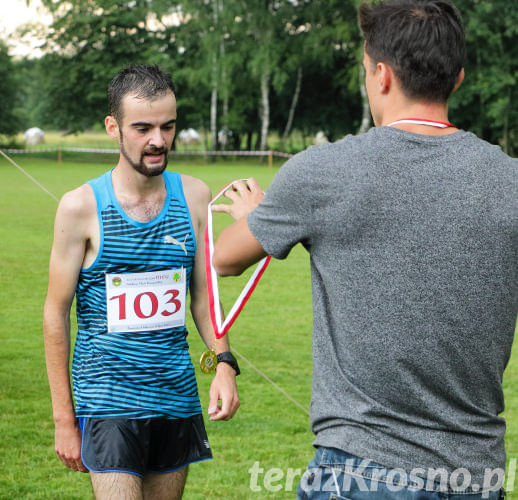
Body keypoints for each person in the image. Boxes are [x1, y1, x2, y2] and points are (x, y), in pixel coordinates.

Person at [212, 1, 517, 498]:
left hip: (361, 473)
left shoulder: (324, 171)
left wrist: (254, 216)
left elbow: (224, 258)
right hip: (477, 477)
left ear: (381, 75)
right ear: (457, 78)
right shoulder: (511, 180)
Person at [43, 64, 240, 499]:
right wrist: (64, 418)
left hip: (176, 398)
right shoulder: (79, 207)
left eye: (168, 127)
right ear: (113, 127)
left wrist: (224, 363)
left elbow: (204, 301)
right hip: (107, 401)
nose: (157, 140)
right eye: (142, 128)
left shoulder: (194, 196)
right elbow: (55, 314)